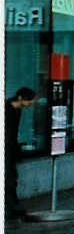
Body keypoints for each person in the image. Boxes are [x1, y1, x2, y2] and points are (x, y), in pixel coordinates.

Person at [6, 87, 36, 218]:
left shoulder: (17, 111)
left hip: (11, 148)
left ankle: (12, 206)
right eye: (29, 100)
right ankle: (11, 207)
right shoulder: (7, 109)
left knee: (12, 178)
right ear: (20, 98)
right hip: (6, 148)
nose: (30, 103)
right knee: (9, 179)